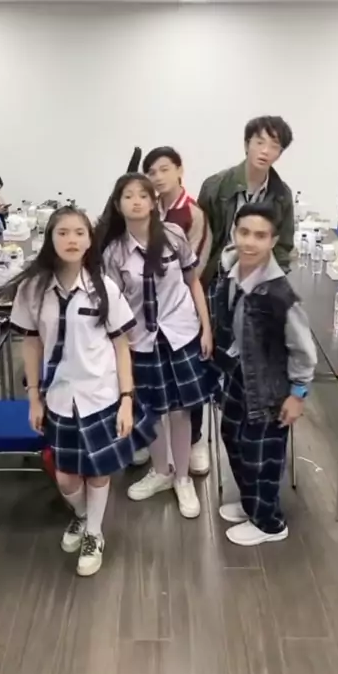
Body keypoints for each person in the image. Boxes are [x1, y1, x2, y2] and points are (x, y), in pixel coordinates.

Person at [7, 206, 156, 576]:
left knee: (99, 471)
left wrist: (126, 400)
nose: (71, 240)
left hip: (100, 394)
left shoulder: (103, 288)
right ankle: (84, 514)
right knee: (66, 477)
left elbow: (122, 345)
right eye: (62, 233)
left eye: (79, 233)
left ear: (90, 241)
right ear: (50, 239)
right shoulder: (33, 289)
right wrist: (33, 397)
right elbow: (31, 343)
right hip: (58, 397)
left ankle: (94, 533)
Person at [97, 173, 213, 519]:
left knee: (181, 410)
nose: (136, 201)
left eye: (142, 195)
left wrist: (206, 328)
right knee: (151, 412)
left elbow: (193, 282)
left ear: (153, 202)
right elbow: (114, 306)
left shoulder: (174, 236)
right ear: (118, 204)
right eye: (128, 196)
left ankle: (182, 478)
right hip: (141, 340)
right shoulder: (114, 252)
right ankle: (161, 471)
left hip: (181, 333)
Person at [214, 202, 316, 547]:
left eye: (260, 236)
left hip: (271, 389)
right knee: (234, 439)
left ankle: (269, 522)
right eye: (244, 232)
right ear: (234, 233)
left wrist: (297, 394)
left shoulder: (280, 295)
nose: (250, 242)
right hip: (239, 376)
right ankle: (251, 504)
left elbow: (303, 351)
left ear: (273, 241)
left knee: (262, 456)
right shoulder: (230, 272)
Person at [193, 115, 295, 457]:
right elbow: (201, 241)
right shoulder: (216, 186)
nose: (265, 151)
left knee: (250, 361)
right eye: (260, 142)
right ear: (247, 143)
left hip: (257, 288)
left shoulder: (281, 195)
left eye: (274, 146)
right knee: (204, 358)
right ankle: (196, 440)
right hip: (217, 283)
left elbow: (284, 248)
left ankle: (243, 431)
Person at [132, 145, 212, 474]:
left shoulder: (191, 214)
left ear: (180, 170)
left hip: (183, 310)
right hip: (148, 316)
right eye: (151, 172)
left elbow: (193, 270)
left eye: (165, 169)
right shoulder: (151, 208)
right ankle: (155, 446)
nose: (158, 177)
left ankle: (194, 442)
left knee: (187, 389)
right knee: (154, 387)